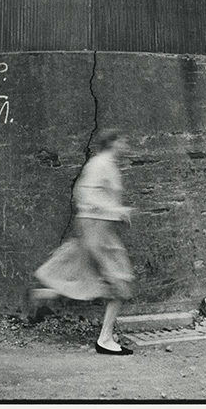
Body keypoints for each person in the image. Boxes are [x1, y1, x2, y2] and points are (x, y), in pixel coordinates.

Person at [28, 129, 135, 355]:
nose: (126, 145)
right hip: (96, 228)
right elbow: (85, 194)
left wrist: (115, 212)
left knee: (94, 278)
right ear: (112, 142)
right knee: (120, 280)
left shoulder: (107, 164)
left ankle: (43, 296)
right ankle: (105, 339)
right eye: (123, 141)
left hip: (99, 227)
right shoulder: (100, 164)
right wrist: (116, 211)